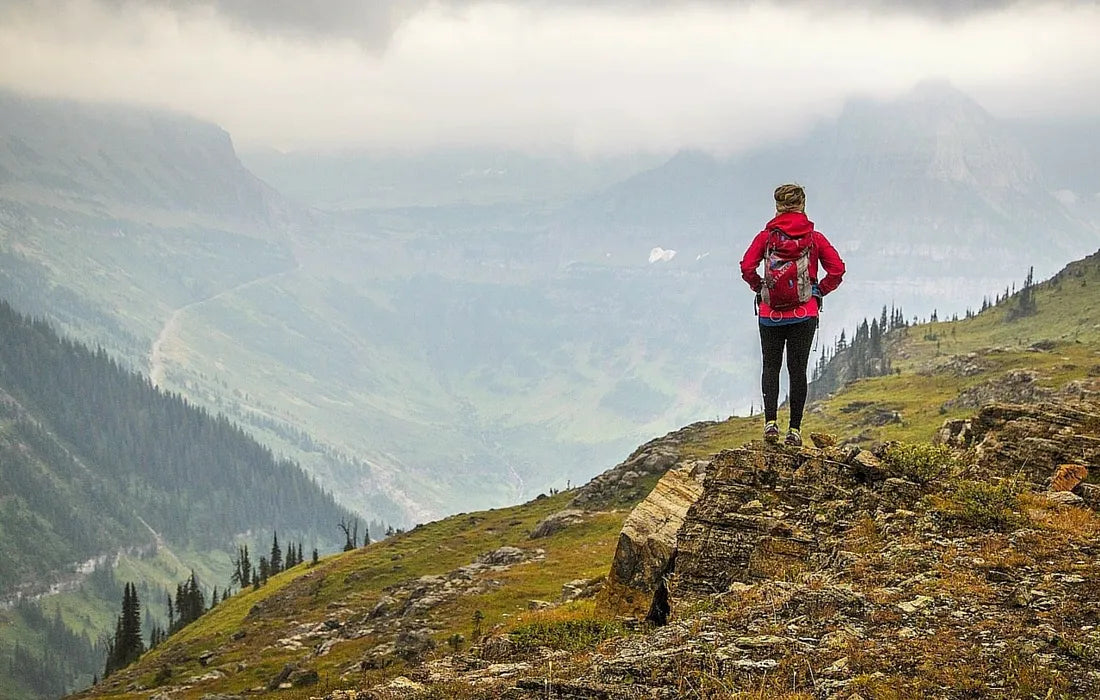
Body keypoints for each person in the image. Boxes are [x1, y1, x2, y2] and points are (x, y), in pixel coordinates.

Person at [739, 184, 845, 446]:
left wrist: (760, 287)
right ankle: (794, 430)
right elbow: (837, 269)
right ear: (802, 205)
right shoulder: (814, 238)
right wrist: (819, 291)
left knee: (771, 366)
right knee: (797, 370)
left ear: (777, 207)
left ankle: (771, 424)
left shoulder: (766, 238)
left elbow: (746, 266)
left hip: (770, 315)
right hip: (804, 314)